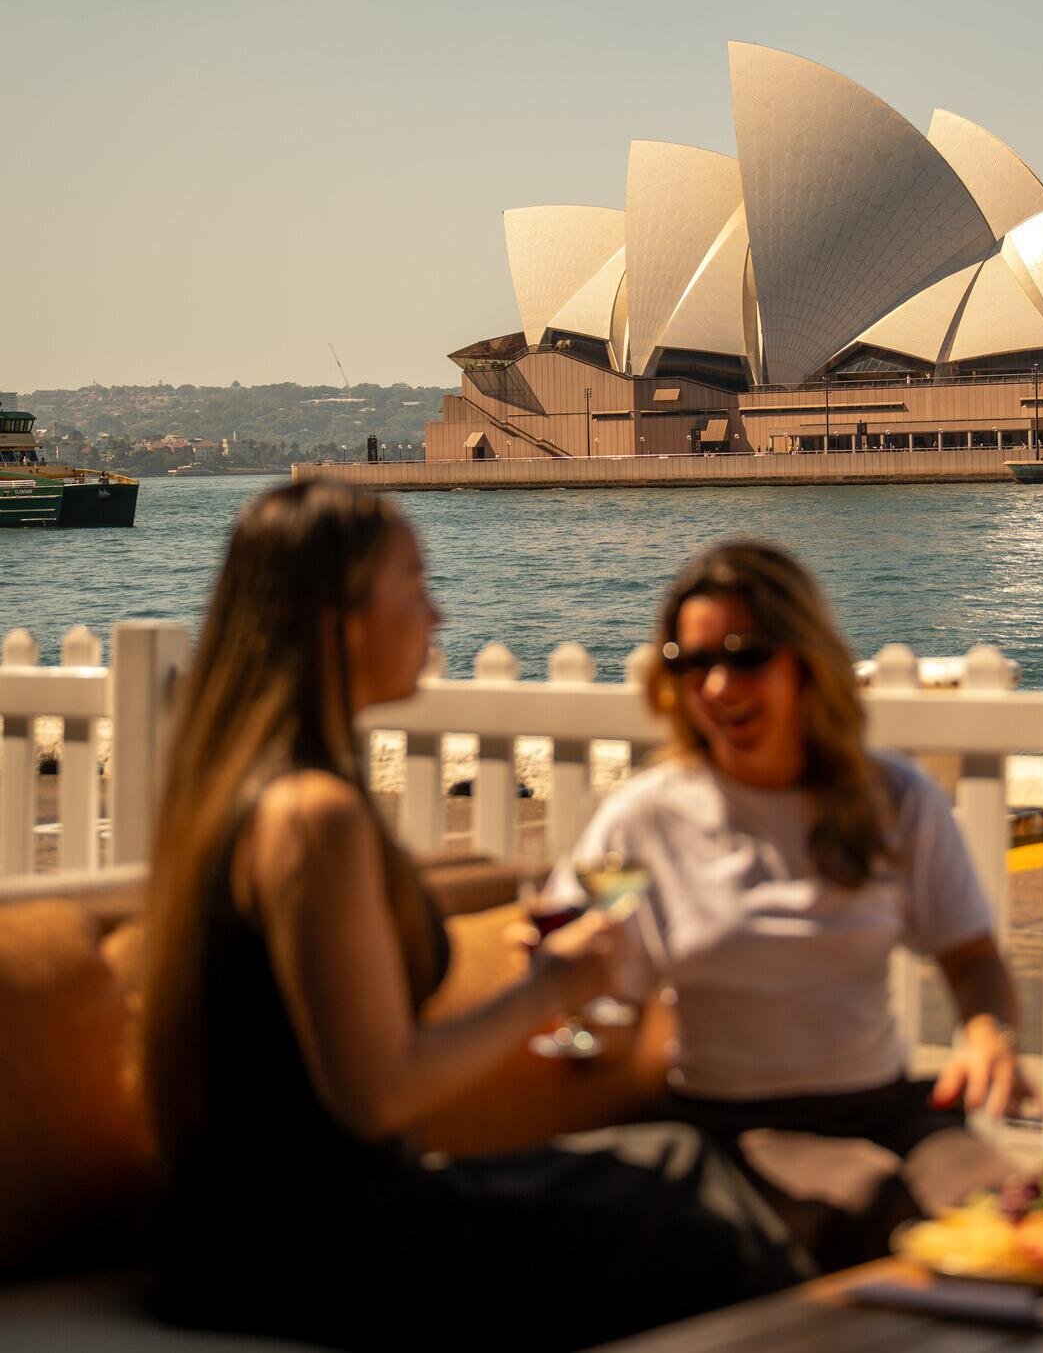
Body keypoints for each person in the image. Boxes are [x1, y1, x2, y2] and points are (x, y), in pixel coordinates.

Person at [140, 483, 807, 1352]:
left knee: (675, 1172)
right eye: (414, 585)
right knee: (702, 1211)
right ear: (339, 621)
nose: (438, 612)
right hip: (314, 1252)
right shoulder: (313, 817)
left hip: (244, 1241)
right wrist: (553, 986)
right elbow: (378, 1093)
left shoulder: (243, 793)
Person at [548, 540, 1032, 1269]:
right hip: (734, 1128)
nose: (715, 686)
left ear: (804, 659)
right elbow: (581, 978)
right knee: (869, 1203)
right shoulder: (642, 820)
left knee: (1016, 1208)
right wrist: (573, 992)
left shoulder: (893, 798)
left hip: (887, 1110)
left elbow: (969, 956)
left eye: (744, 656)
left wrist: (988, 1032)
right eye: (689, 662)